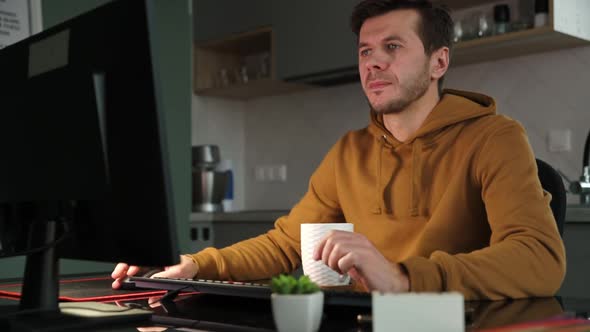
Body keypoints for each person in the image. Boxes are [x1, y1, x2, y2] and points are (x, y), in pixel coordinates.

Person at [112, 0, 565, 300]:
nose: (374, 62)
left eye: (392, 46)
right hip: (362, 322)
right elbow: (287, 244)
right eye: (365, 50)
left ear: (438, 61)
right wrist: (197, 266)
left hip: (446, 322)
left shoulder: (495, 137)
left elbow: (540, 259)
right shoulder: (349, 151)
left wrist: (404, 278)